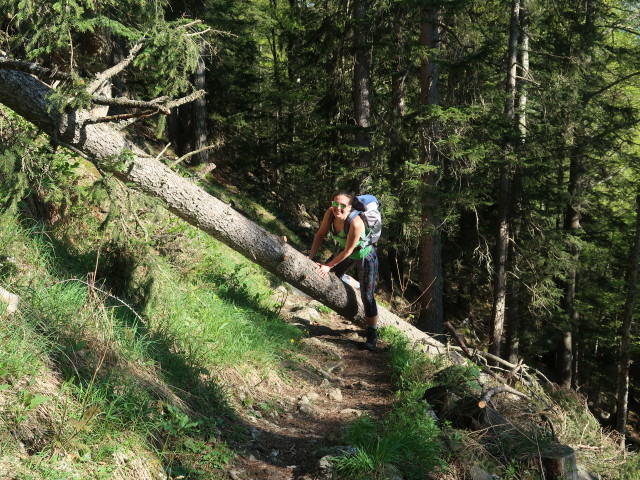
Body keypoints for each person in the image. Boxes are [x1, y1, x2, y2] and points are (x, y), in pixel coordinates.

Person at [308, 191, 379, 350]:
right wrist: (310, 256)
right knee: (332, 277)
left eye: (342, 205)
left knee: (367, 296)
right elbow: (320, 235)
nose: (337, 208)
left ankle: (372, 333)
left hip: (365, 255)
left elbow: (348, 251)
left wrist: (328, 265)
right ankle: (352, 281)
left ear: (350, 207)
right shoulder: (330, 214)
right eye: (335, 203)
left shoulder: (356, 223)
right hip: (344, 252)